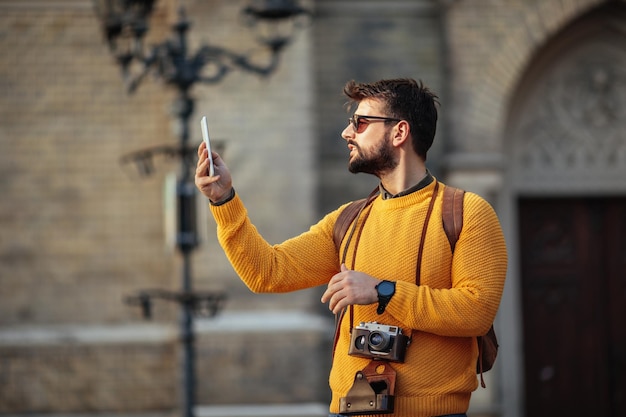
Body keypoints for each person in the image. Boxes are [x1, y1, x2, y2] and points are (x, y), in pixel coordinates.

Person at [195, 78, 508, 417]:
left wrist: (382, 291)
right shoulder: (347, 220)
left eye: (360, 123)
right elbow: (266, 273)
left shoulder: (466, 212)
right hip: (351, 409)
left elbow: (476, 311)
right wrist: (224, 199)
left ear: (399, 132)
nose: (347, 133)